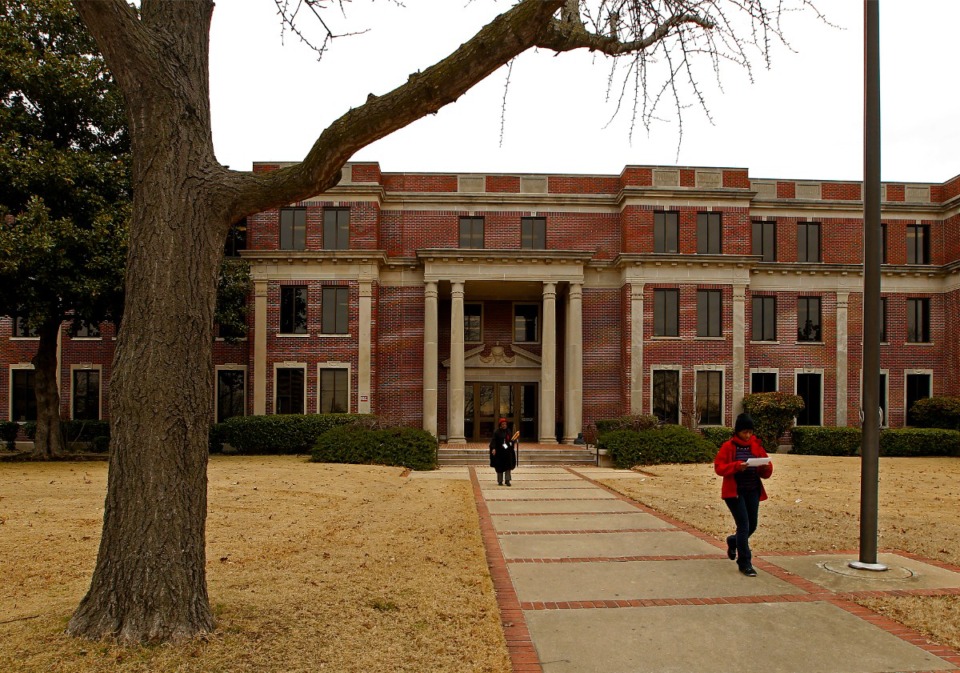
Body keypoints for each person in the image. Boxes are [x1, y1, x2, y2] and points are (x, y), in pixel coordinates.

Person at [714, 413, 773, 577]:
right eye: (744, 432)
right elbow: (719, 468)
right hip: (735, 493)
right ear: (738, 431)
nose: (748, 435)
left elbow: (766, 471)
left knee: (752, 525)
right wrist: (735, 467)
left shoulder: (756, 446)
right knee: (744, 525)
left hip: (753, 490)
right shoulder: (728, 447)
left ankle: (733, 541)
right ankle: (745, 562)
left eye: (750, 432)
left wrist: (765, 466)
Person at [489, 417, 517, 486]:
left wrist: (512, 442)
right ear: (500, 425)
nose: (504, 425)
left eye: (505, 424)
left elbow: (511, 440)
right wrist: (493, 448)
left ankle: (507, 480)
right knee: (499, 467)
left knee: (508, 467)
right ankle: (500, 481)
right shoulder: (497, 432)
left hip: (508, 452)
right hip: (500, 453)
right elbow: (493, 441)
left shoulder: (509, 431)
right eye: (503, 424)